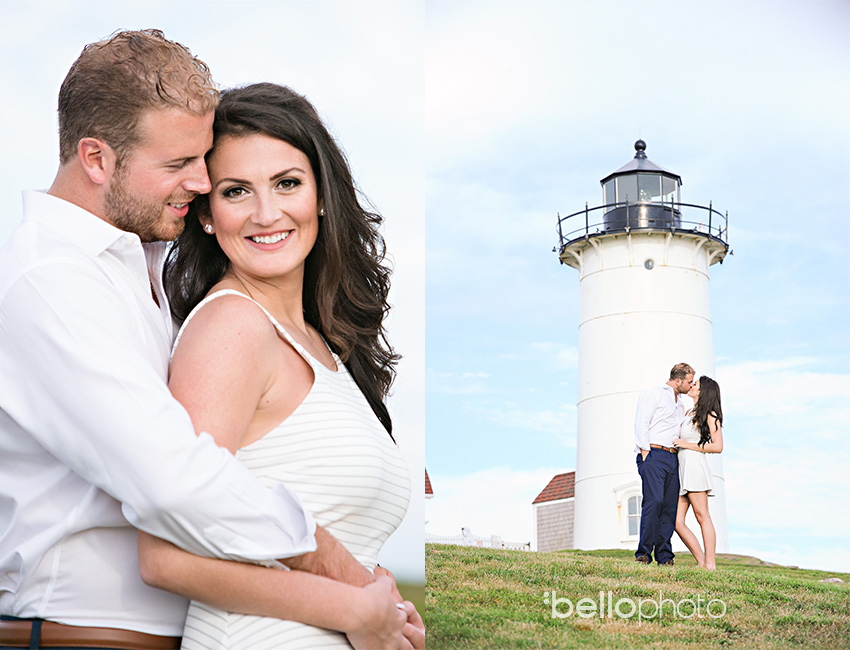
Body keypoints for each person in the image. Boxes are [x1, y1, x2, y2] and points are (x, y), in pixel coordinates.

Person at [0, 30, 414, 650]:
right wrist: (351, 588)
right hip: (80, 634)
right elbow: (174, 481)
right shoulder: (51, 281)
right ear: (96, 159)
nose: (200, 182)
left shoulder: (136, 269)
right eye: (180, 166)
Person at [134, 81, 416, 649]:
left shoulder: (323, 345)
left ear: (320, 195)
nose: (266, 214)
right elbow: (165, 557)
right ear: (207, 214)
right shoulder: (231, 327)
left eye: (287, 183)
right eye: (236, 191)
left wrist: (388, 608)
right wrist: (357, 609)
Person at [633, 362, 694, 566]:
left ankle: (664, 556)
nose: (690, 385)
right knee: (654, 501)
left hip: (672, 457)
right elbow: (641, 421)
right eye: (689, 382)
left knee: (669, 507)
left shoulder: (680, 403)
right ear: (678, 380)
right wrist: (645, 452)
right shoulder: (654, 393)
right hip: (654, 454)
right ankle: (643, 553)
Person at [673, 376, 724, 570]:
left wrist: (688, 445)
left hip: (695, 467)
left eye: (696, 385)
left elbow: (718, 446)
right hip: (682, 468)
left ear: (703, 392)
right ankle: (701, 562)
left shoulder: (710, 415)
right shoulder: (688, 412)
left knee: (702, 516)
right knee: (677, 522)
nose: (692, 386)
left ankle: (710, 564)